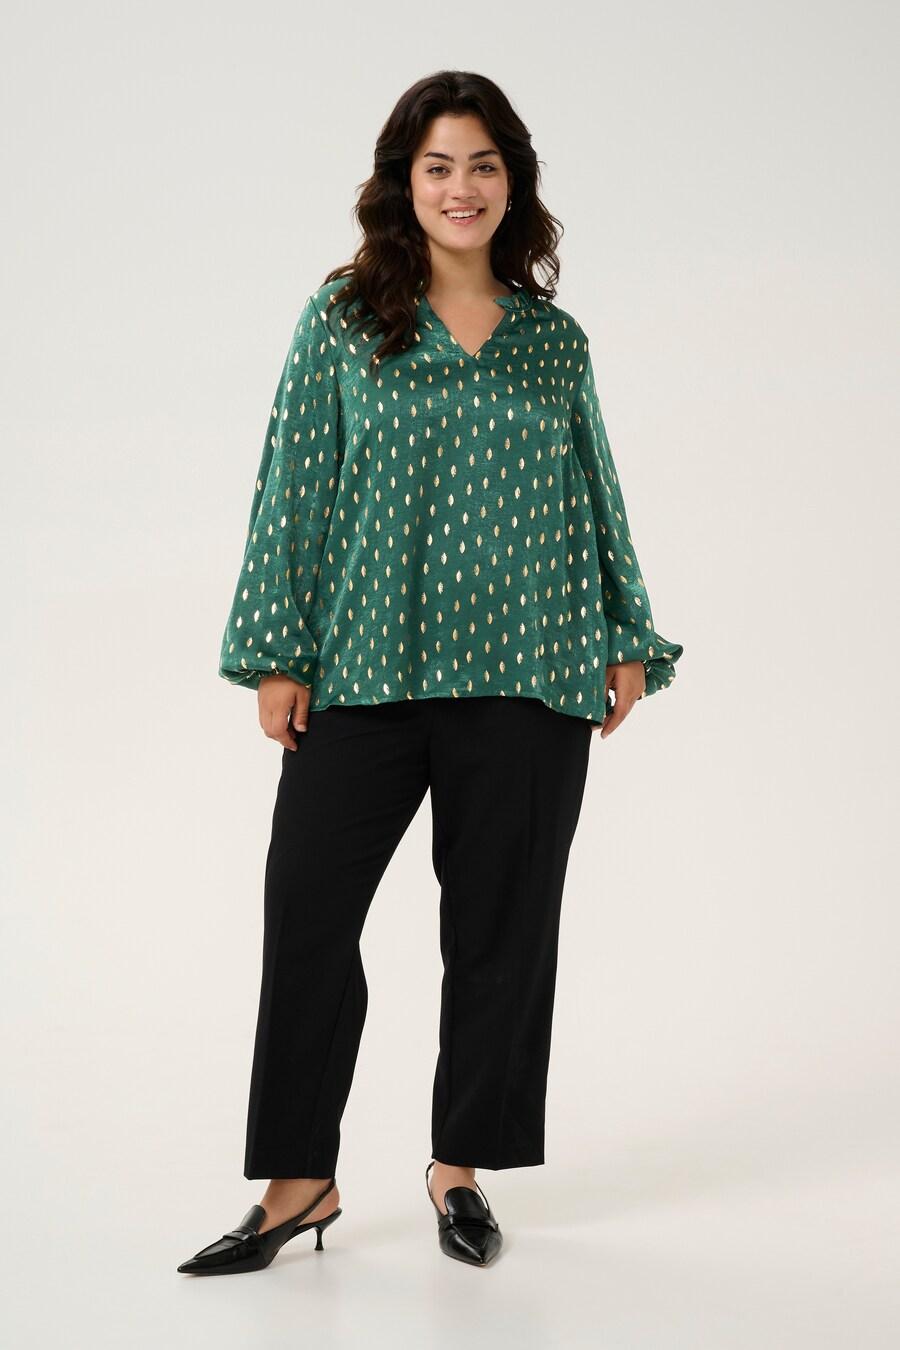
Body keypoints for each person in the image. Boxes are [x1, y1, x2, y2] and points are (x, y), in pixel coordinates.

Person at [178, 69, 683, 1276]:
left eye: (484, 166)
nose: (463, 188)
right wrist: (277, 654)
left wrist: (626, 633)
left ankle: (460, 1168)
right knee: (308, 914)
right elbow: (293, 485)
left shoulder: (552, 341)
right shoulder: (346, 316)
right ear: (404, 184)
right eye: (439, 166)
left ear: (514, 182)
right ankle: (298, 1183)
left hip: (529, 671)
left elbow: (594, 487)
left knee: (502, 930)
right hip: (366, 669)